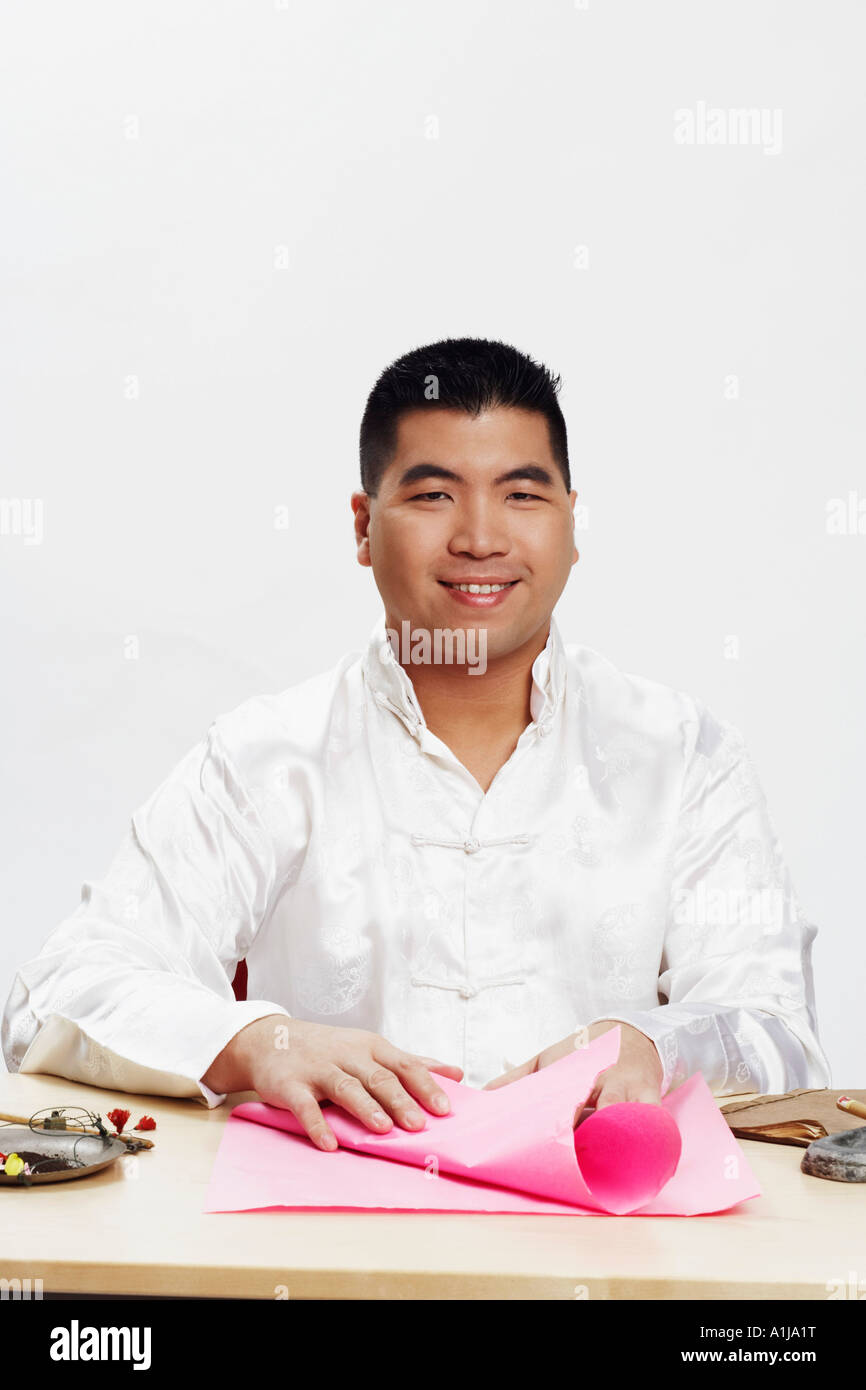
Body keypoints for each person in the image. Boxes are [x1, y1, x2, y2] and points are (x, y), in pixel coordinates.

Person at [1, 337, 831, 1152]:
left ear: (573, 525)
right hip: (330, 1247)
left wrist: (650, 1046)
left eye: (522, 495)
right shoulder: (266, 757)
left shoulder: (681, 757)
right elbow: (58, 994)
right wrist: (260, 1042)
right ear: (363, 529)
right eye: (434, 495)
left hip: (609, 1250)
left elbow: (778, 1030)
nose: (479, 538)